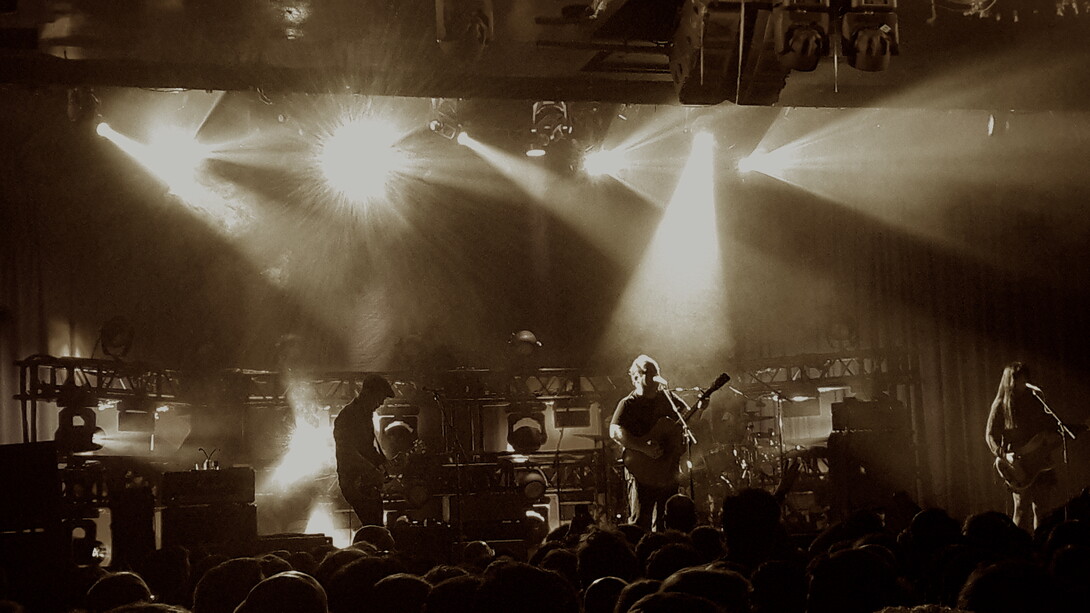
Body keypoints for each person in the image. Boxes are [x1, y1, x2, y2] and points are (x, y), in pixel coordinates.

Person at [610, 355, 693, 531]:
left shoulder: (668, 398)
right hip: (642, 472)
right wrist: (641, 447)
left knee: (668, 521)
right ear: (636, 377)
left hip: (667, 469)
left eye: (657, 372)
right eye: (650, 373)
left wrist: (700, 409)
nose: (655, 376)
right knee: (641, 521)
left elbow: (688, 417)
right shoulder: (628, 404)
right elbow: (615, 431)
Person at [985, 362, 1066, 532]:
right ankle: (1019, 548)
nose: (1023, 382)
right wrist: (1004, 455)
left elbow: (1051, 427)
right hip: (1019, 465)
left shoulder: (1036, 401)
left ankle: (1041, 547)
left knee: (1042, 510)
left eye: (1024, 378)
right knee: (1021, 509)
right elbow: (990, 435)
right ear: (1009, 381)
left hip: (1041, 462)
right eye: (1018, 378)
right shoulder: (1001, 404)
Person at [335, 374, 395, 527]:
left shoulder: (366, 417)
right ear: (368, 393)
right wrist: (372, 471)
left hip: (365, 482)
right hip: (354, 482)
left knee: (375, 525)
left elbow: (367, 449)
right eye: (379, 398)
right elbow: (347, 452)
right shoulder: (347, 416)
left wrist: (384, 462)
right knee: (374, 526)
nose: (380, 404)